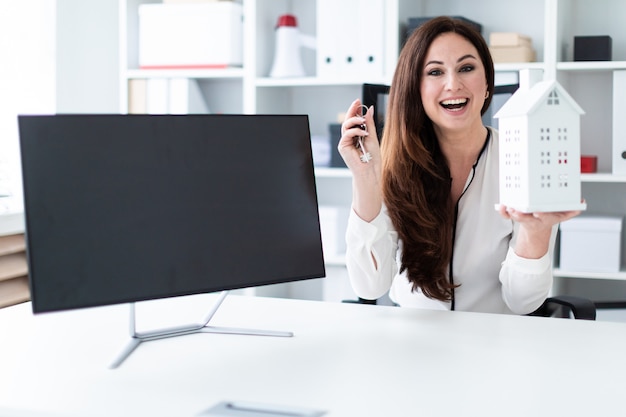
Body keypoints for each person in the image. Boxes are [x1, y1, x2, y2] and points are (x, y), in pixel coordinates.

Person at [338, 16, 581, 314]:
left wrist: (536, 232)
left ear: (488, 83)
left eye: (466, 68)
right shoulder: (393, 167)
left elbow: (523, 302)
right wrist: (367, 178)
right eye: (435, 72)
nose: (453, 84)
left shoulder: (525, 159)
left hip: (494, 341)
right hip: (414, 342)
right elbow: (370, 286)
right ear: (415, 88)